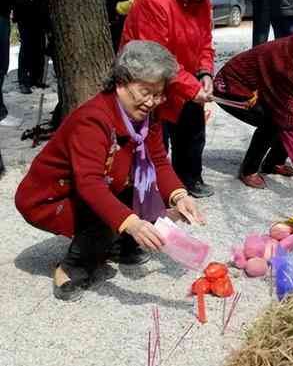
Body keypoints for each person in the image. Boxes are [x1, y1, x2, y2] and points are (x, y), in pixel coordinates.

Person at [15, 41, 206, 302]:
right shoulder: (93, 120)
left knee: (135, 195)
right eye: (145, 91)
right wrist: (131, 223)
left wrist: (179, 196)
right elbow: (90, 184)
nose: (152, 101)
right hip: (48, 197)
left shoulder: (145, 116)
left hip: (98, 184)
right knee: (109, 216)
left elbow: (158, 161)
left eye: (158, 93)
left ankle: (119, 245)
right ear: (121, 82)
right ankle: (71, 268)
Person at [121, 0, 225, 198]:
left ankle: (189, 177)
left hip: (184, 78)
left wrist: (205, 73)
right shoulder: (154, 2)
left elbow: (205, 42)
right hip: (148, 78)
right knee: (155, 138)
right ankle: (154, 188)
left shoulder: (203, 1)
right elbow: (156, 59)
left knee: (193, 131)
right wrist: (191, 86)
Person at [213, 25, 293, 197]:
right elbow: (287, 120)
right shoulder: (284, 67)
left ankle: (274, 162)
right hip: (232, 87)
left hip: (265, 88)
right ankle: (248, 170)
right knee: (273, 122)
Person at [13, 0, 48, 94]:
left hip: (38, 10)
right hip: (25, 11)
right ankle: (24, 80)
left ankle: (36, 78)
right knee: (27, 45)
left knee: (39, 45)